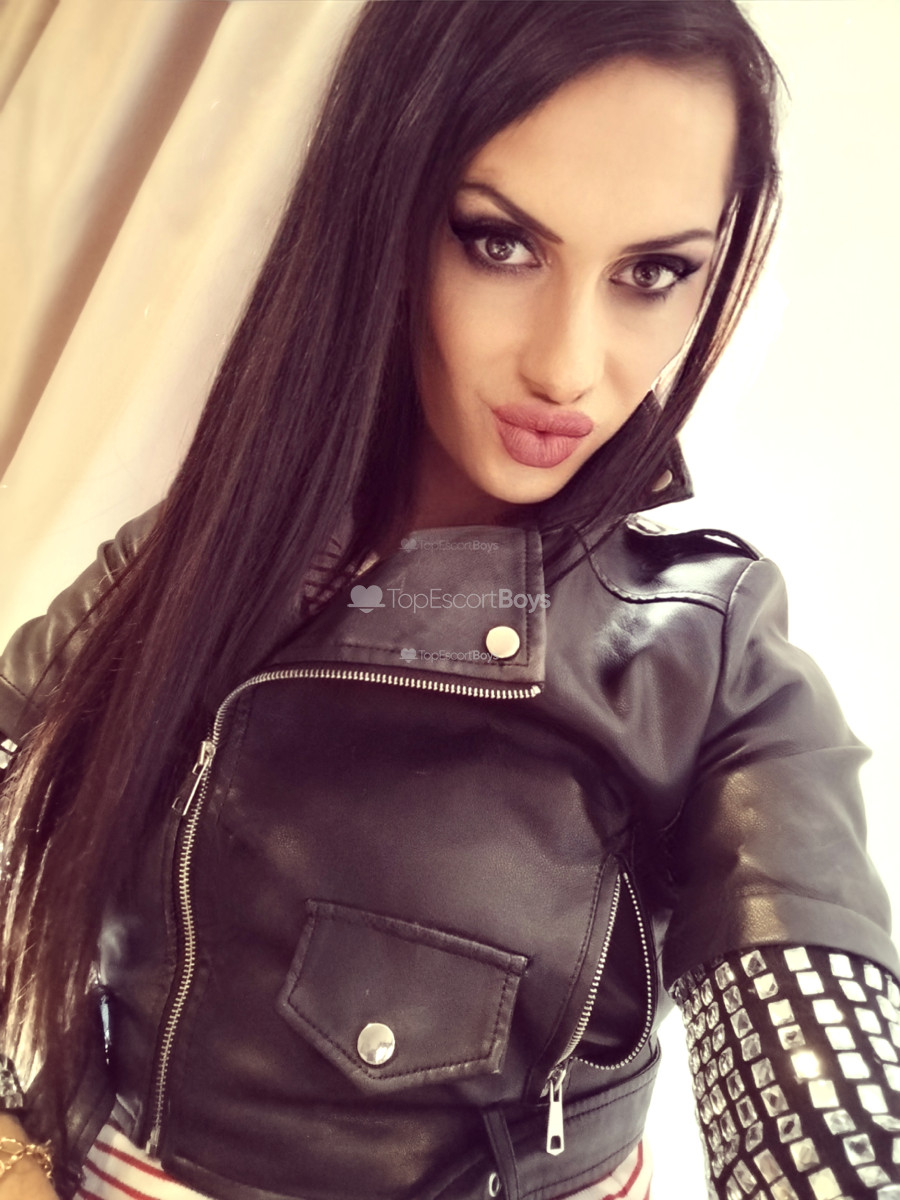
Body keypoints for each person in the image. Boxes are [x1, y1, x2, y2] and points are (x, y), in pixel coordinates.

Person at [0, 2, 898, 1199]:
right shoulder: (194, 554)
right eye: (500, 243)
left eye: (653, 272)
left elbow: (824, 1108)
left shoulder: (704, 659)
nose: (567, 367)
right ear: (388, 210)